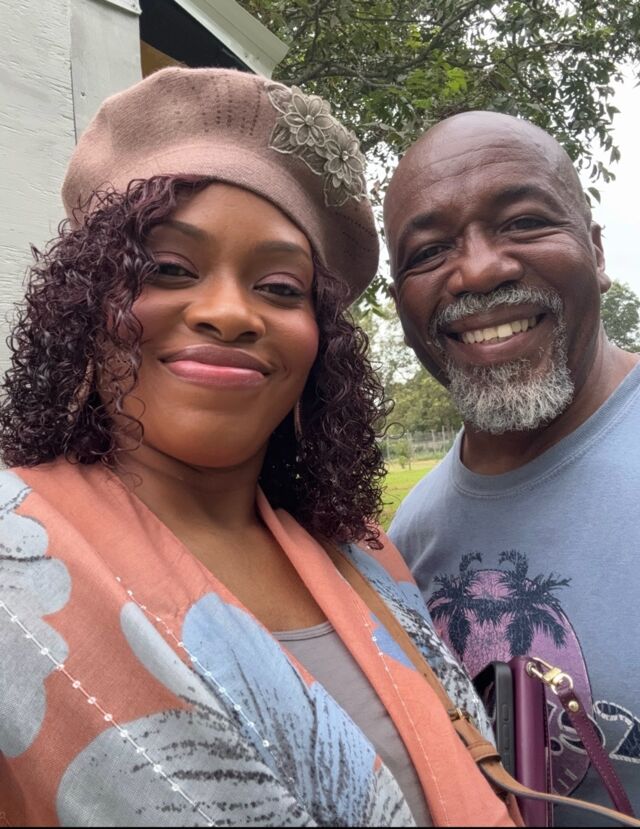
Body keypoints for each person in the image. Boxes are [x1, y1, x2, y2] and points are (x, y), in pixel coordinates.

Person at [0, 70, 516, 828]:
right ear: (84, 303)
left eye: (279, 287)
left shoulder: (367, 557)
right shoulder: (13, 566)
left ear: (320, 345)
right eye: (167, 269)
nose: (229, 313)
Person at [384, 109, 640, 824]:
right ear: (401, 303)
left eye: (524, 222)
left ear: (595, 249)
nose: (479, 269)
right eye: (429, 251)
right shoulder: (408, 544)